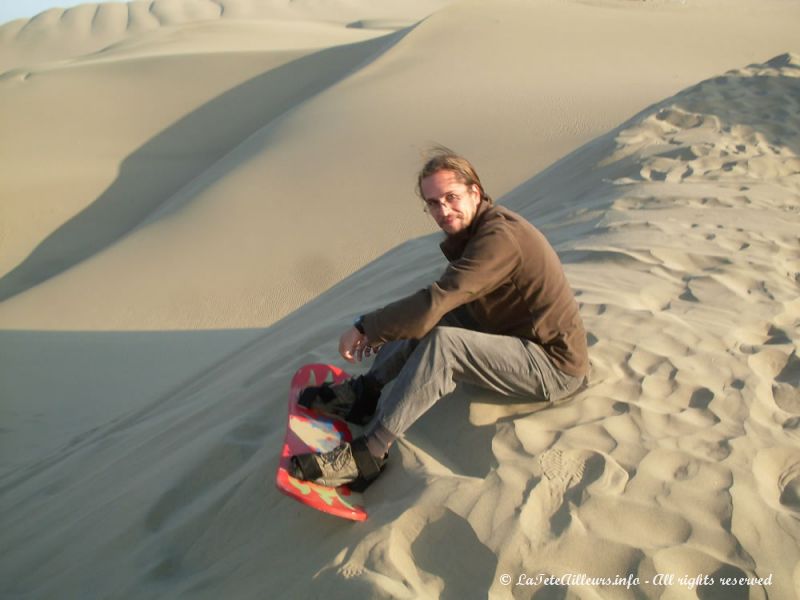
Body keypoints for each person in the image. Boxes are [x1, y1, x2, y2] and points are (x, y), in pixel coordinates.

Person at [291, 148, 589, 490]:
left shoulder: (500, 239)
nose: (443, 210)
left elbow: (437, 300)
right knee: (437, 319)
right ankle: (364, 395)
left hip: (552, 366)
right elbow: (442, 303)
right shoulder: (478, 230)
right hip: (508, 334)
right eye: (433, 203)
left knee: (444, 341)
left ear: (475, 192)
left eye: (451, 197)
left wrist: (365, 327)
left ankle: (368, 455)